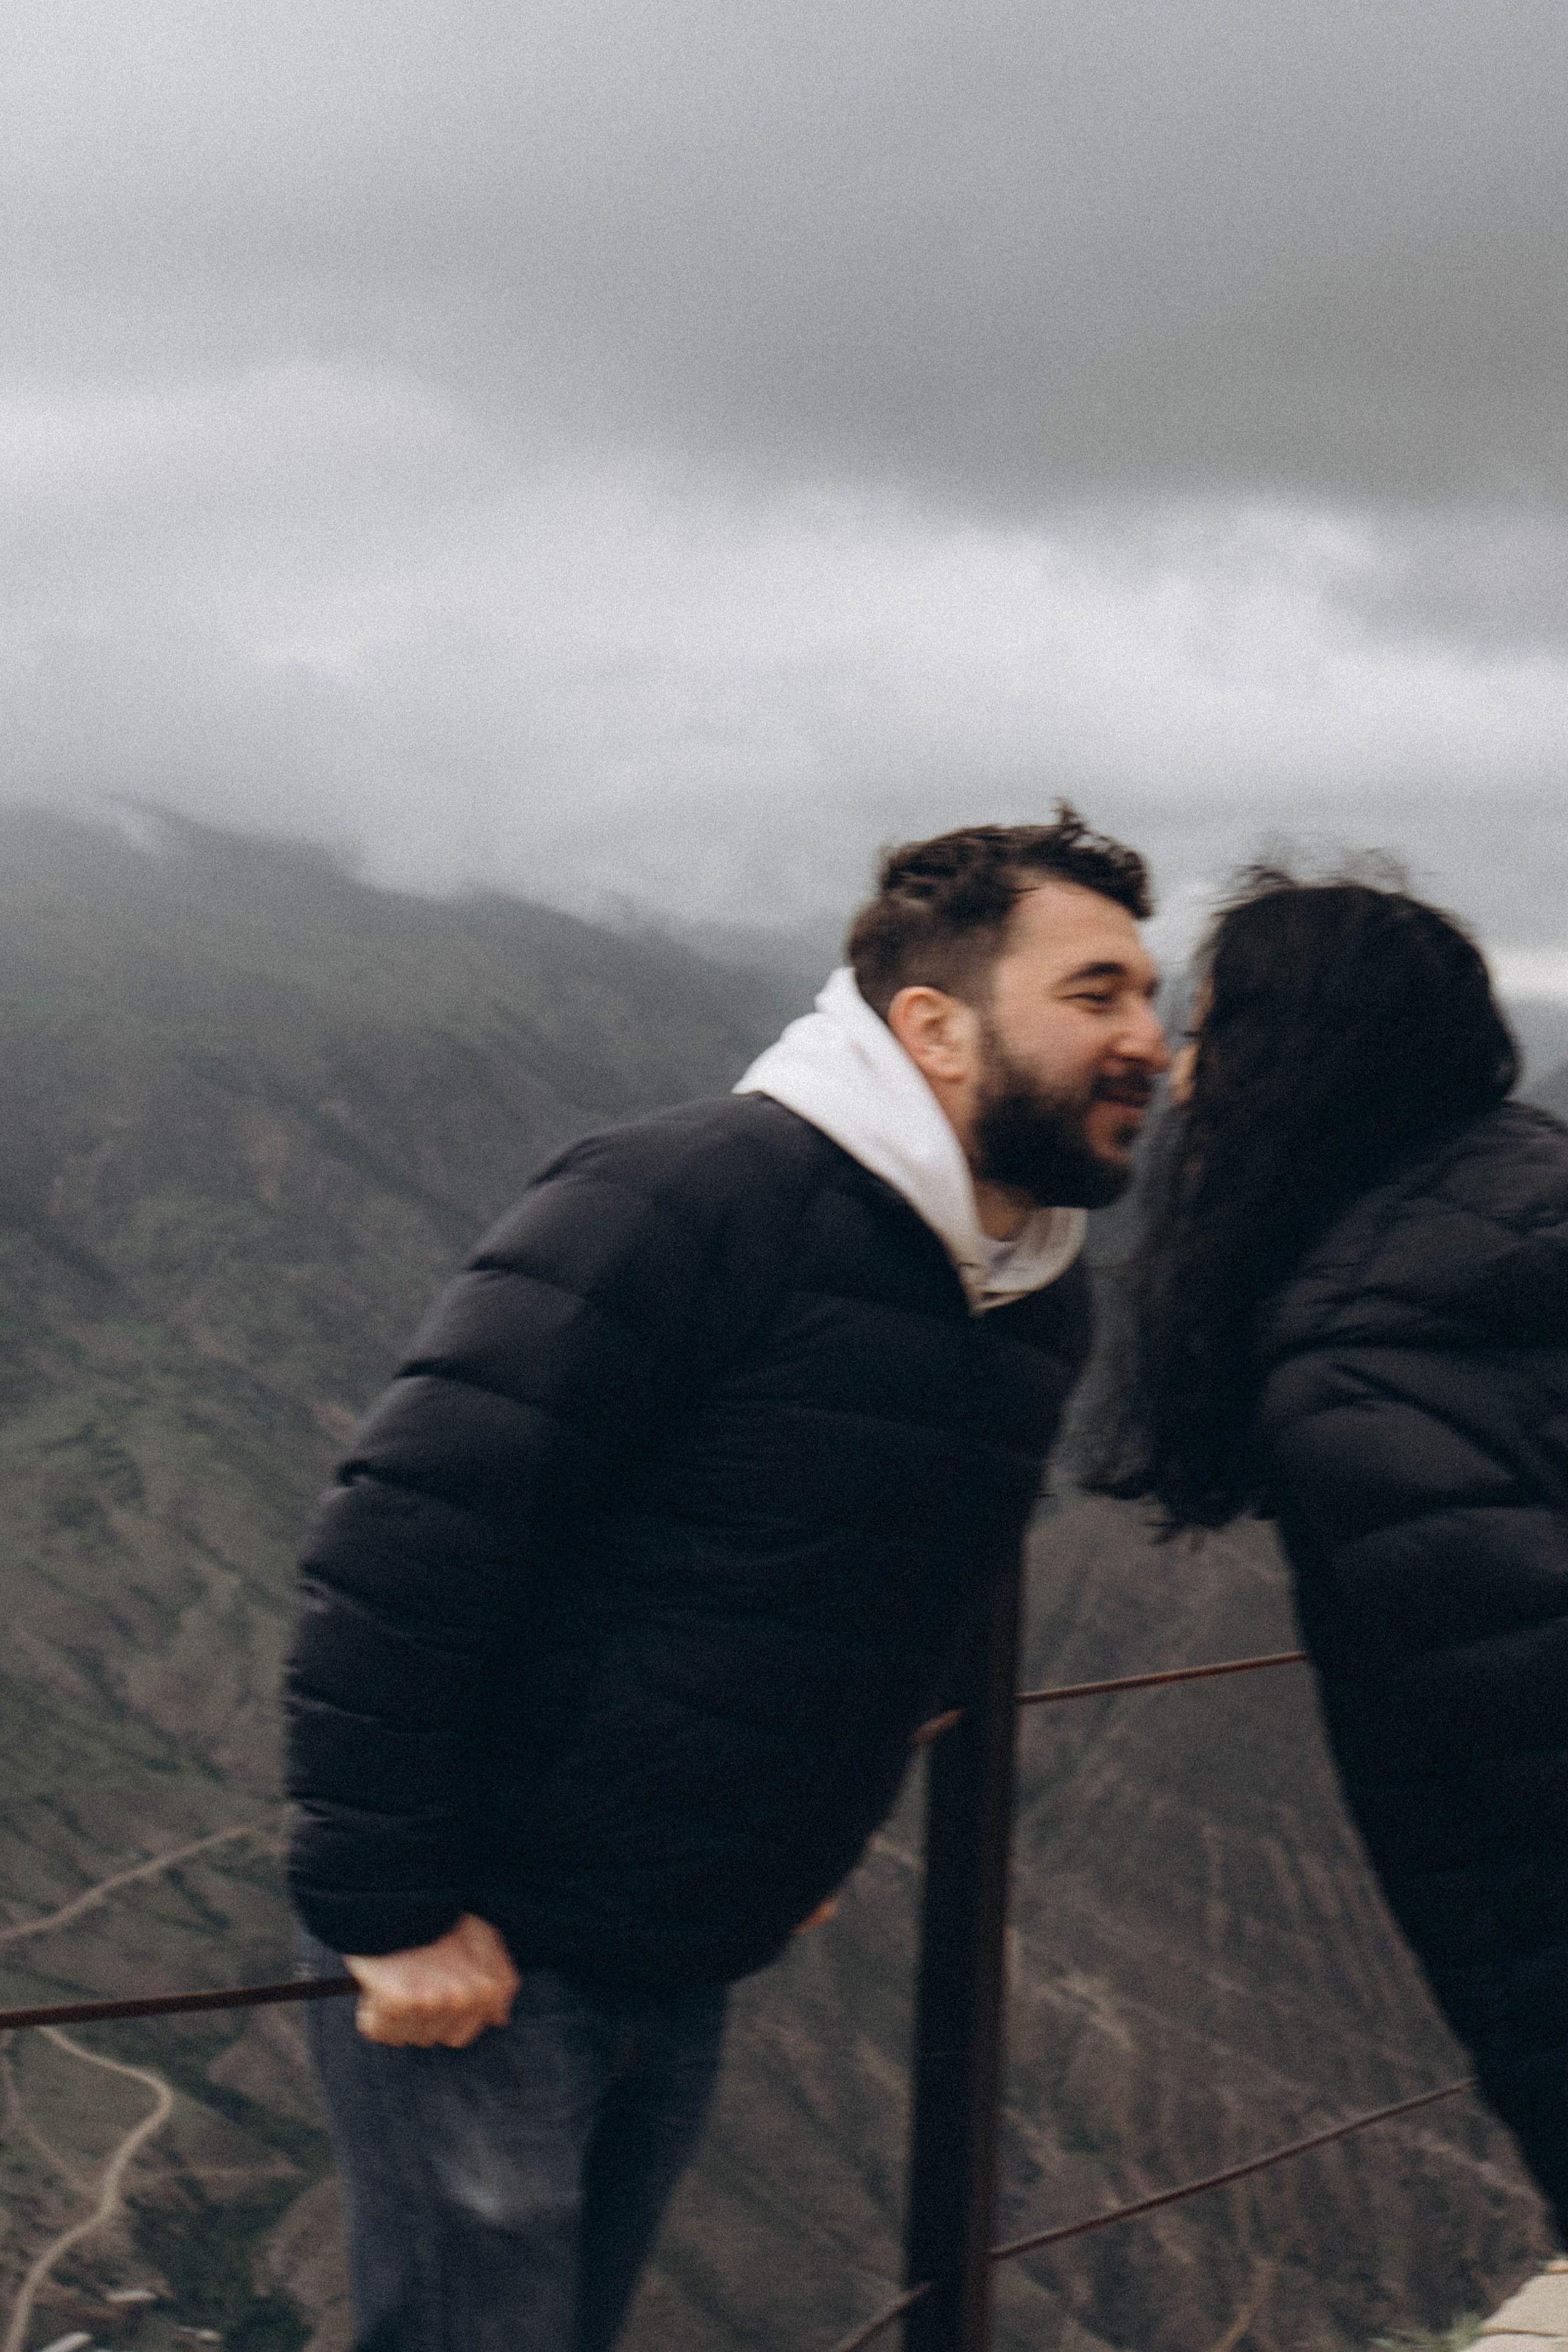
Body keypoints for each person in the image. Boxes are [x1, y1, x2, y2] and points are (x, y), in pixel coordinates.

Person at [283, 809, 1169, 2352]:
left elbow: (888, 1599)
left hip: (684, 1944)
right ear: (933, 1027)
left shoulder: (1025, 1294)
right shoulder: (692, 1195)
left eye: (1149, 999)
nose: (1150, 1041)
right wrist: (387, 1905)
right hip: (484, 1952)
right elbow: (409, 1531)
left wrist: (795, 1837)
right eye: (1097, 995)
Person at [1098, 869, 1568, 2238]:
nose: (1175, 1074)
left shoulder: (1357, 1381)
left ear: (1284, 1069)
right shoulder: (1514, 1219)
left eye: (1205, 1034)